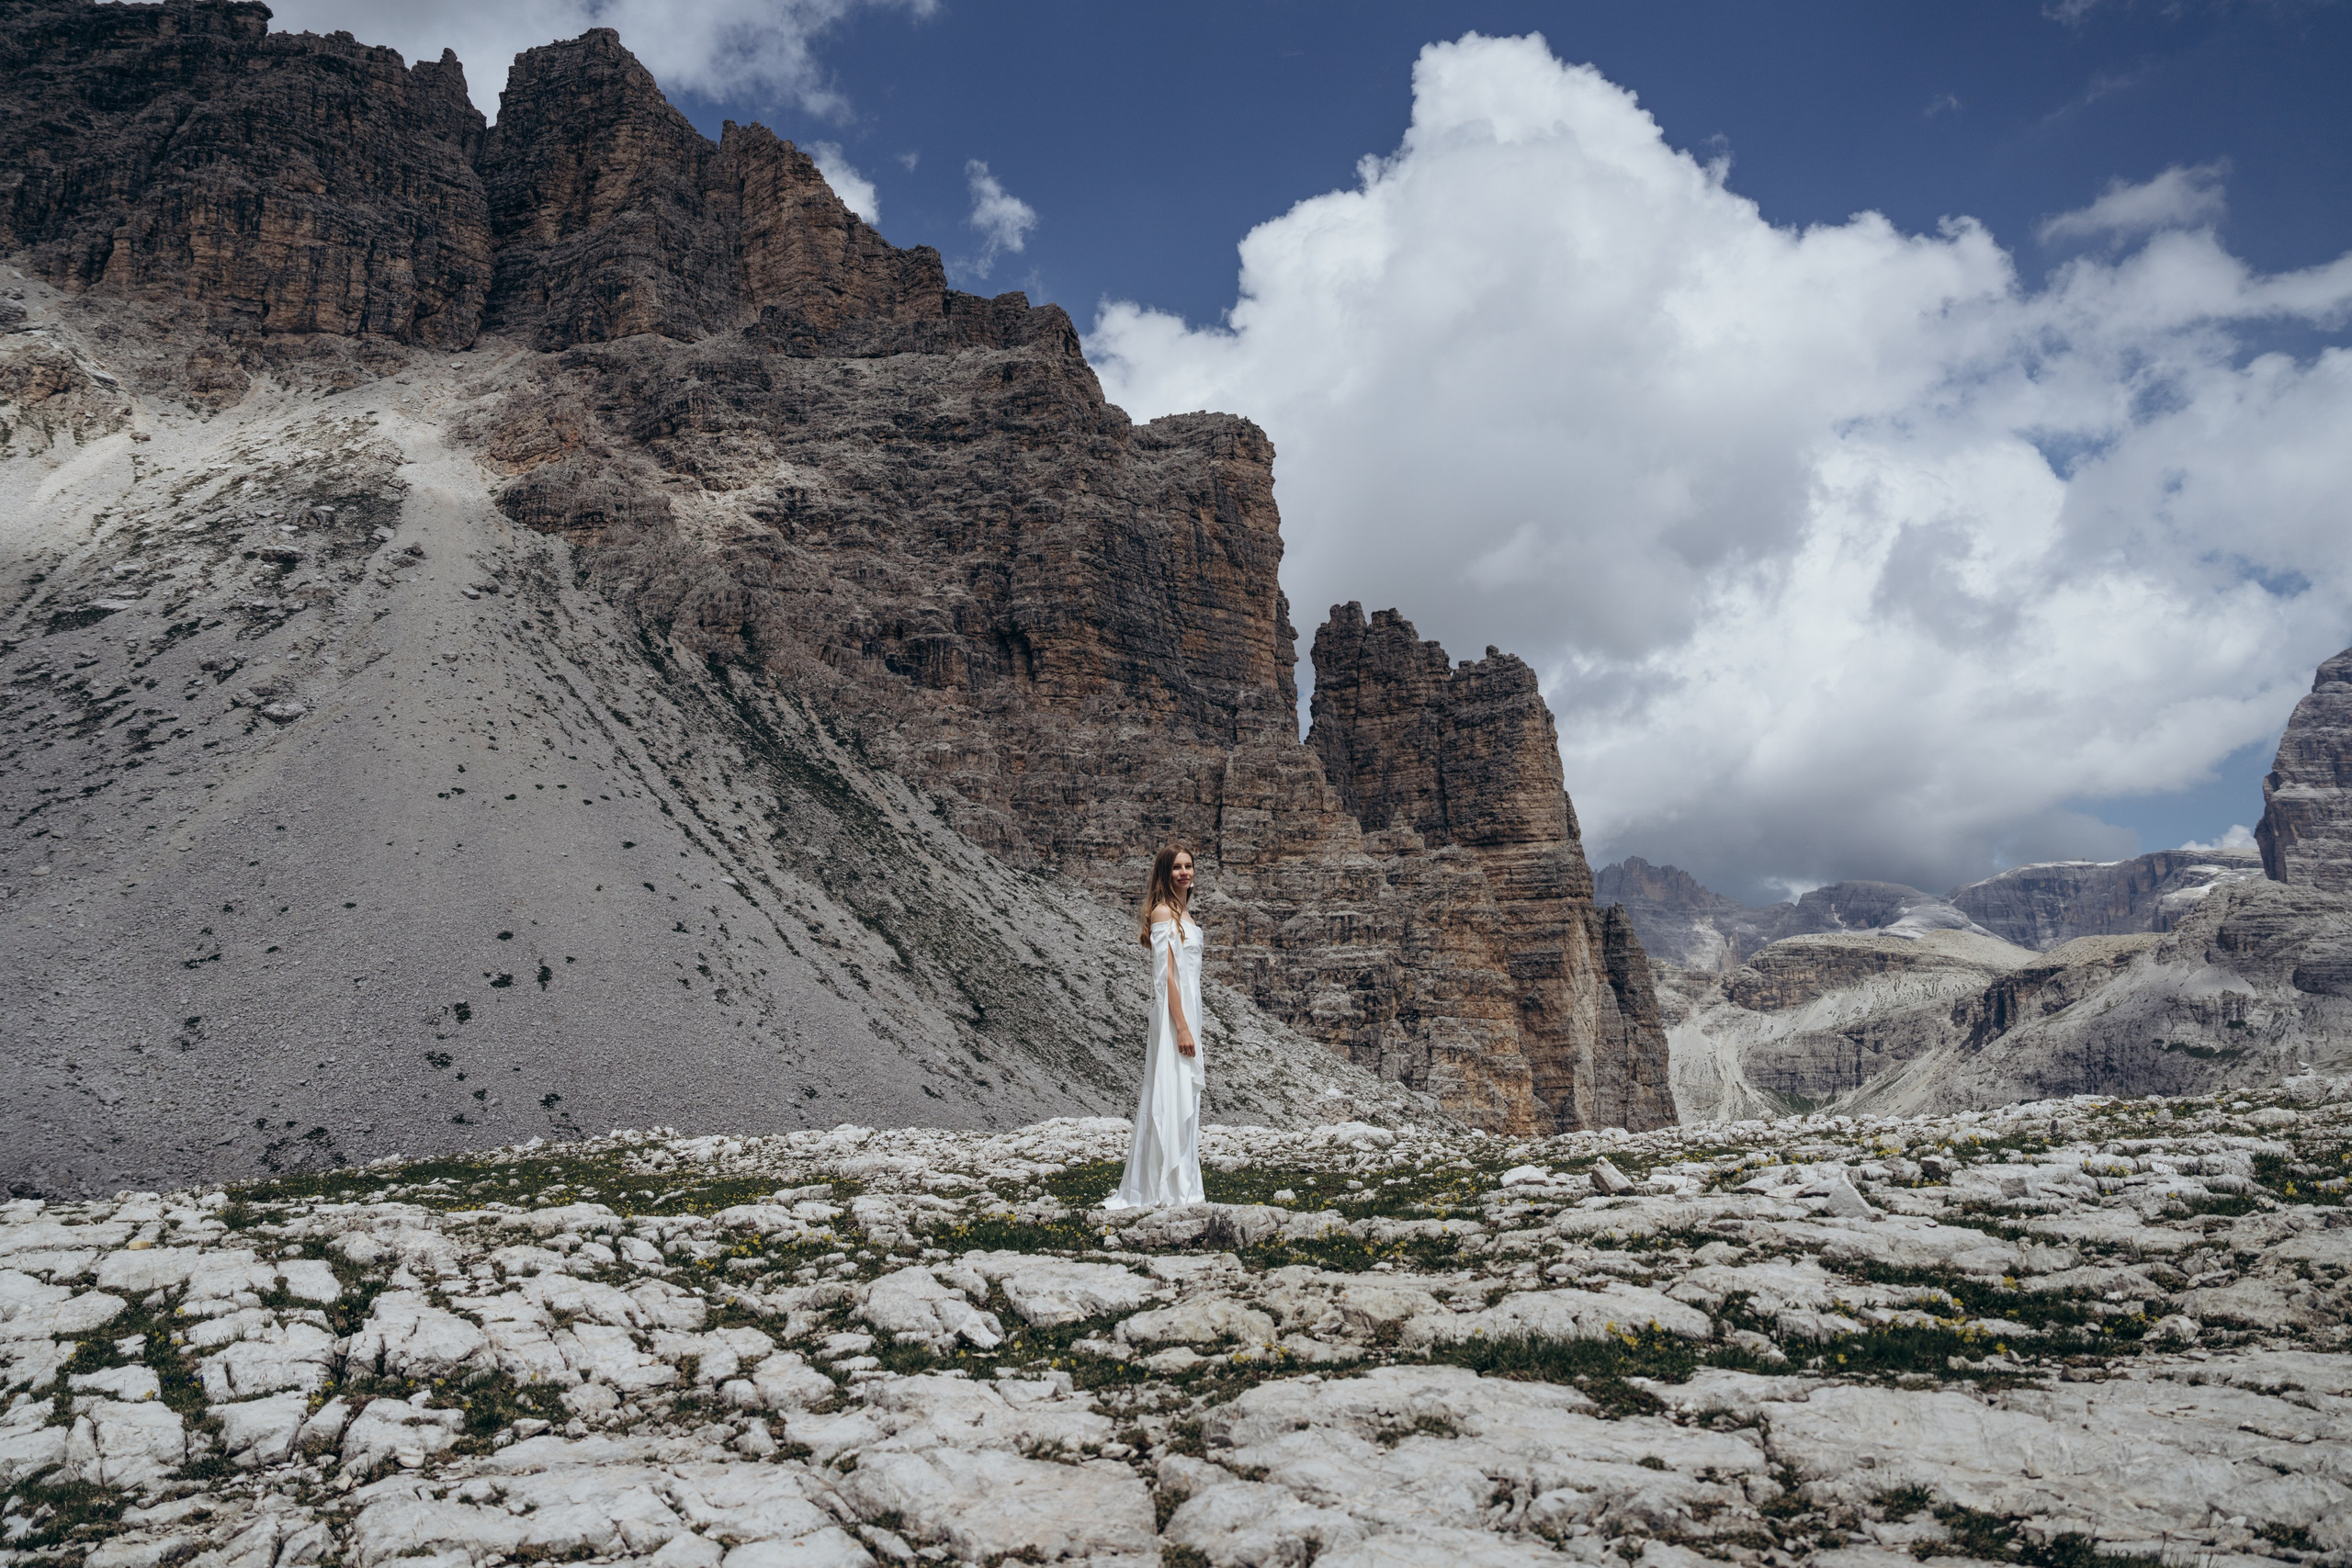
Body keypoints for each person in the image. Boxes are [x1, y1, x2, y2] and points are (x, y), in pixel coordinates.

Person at [1105, 843, 1205, 1208]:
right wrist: (1180, 1026)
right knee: (1169, 1092)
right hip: (1173, 1015)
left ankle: (1184, 1187)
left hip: (1190, 1011)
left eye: (1189, 866)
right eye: (1177, 867)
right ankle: (1164, 1189)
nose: (1184, 873)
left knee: (1185, 1095)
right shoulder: (1164, 913)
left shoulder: (1186, 914)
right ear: (1165, 873)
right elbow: (1166, 979)